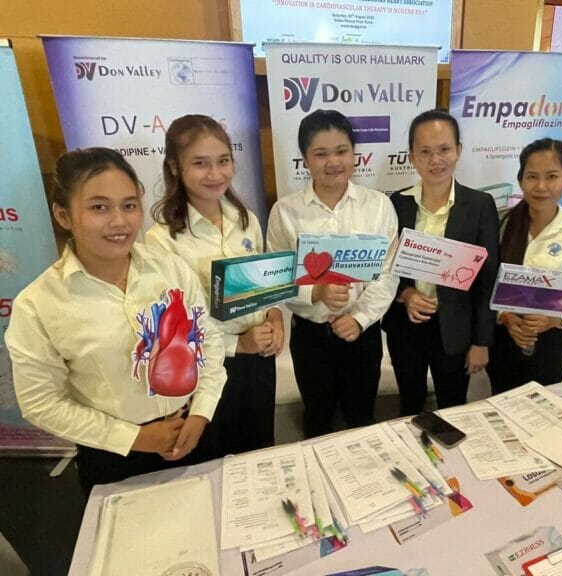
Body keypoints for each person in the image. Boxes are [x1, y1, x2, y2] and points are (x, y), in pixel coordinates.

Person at [5, 148, 226, 493]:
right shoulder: (39, 305)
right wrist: (134, 437)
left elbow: (207, 340)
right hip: (114, 455)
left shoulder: (169, 268)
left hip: (194, 430)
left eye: (129, 205)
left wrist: (201, 413)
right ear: (63, 215)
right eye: (99, 207)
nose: (120, 221)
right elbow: (41, 402)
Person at [146, 114, 282, 456]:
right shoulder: (162, 240)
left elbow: (264, 284)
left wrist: (275, 316)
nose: (215, 173)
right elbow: (175, 326)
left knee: (260, 450)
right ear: (175, 167)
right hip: (209, 366)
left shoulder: (246, 220)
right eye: (200, 163)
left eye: (223, 161)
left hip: (260, 359)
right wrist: (239, 344)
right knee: (217, 457)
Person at [266, 109, 398, 438]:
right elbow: (275, 278)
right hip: (311, 339)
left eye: (341, 151)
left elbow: (388, 273)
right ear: (305, 159)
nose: (333, 162)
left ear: (355, 154)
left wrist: (360, 318)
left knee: (361, 420)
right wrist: (315, 292)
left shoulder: (378, 206)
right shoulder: (285, 211)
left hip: (362, 336)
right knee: (317, 420)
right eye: (321, 154)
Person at [382, 109, 499, 415]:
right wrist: (406, 294)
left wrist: (481, 342)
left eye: (444, 149)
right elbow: (386, 267)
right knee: (410, 405)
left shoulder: (480, 205)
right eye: (425, 152)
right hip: (406, 327)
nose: (436, 159)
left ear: (458, 150)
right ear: (412, 157)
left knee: (453, 407)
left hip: (456, 329)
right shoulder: (396, 204)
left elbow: (487, 280)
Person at [486, 138, 562, 394]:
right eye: (532, 176)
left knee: (544, 405)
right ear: (520, 180)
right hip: (504, 338)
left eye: (552, 176)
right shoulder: (502, 224)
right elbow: (487, 280)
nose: (541, 186)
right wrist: (505, 316)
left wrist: (555, 319)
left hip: (550, 341)